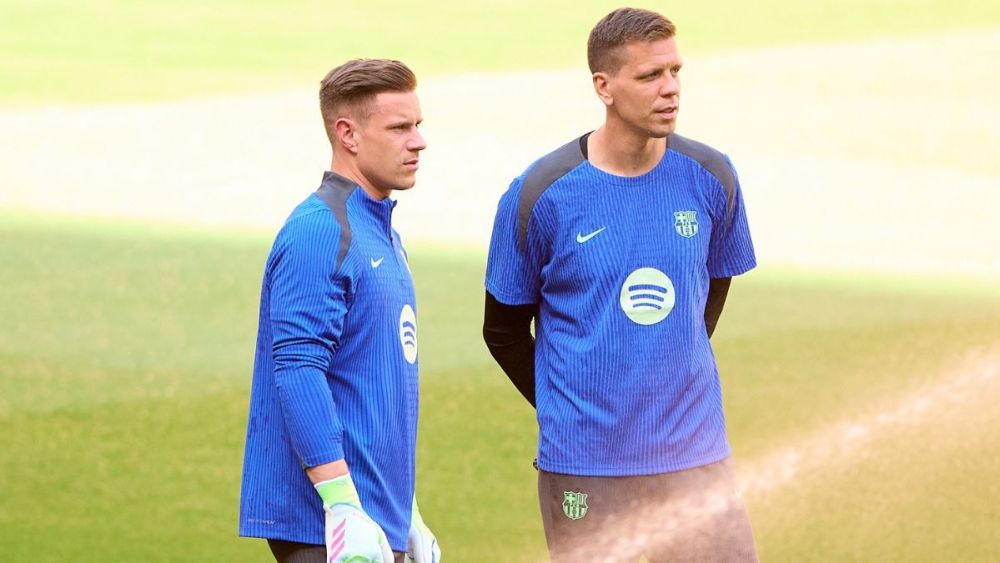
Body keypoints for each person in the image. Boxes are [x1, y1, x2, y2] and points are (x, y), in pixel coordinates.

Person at [483, 8, 758, 562]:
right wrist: (567, 407)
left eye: (675, 71)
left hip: (696, 457)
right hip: (588, 466)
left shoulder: (712, 176)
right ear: (604, 87)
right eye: (650, 76)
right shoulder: (541, 193)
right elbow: (503, 329)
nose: (670, 89)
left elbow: (711, 290)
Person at [239, 58, 441, 563]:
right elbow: (298, 369)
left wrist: (406, 510)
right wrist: (341, 505)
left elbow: (374, 387)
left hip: (377, 518)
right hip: (328, 528)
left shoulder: (383, 235)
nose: (418, 141)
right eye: (399, 127)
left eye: (418, 125)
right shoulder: (321, 232)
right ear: (347, 134)